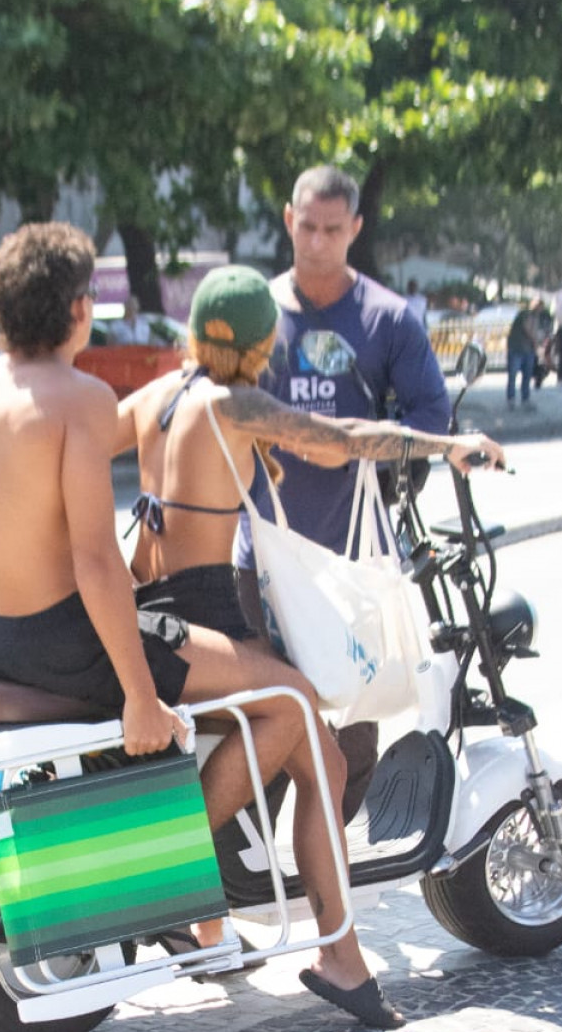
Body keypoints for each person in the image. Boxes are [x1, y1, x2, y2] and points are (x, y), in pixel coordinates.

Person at [0, 223, 407, 1028]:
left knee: (298, 726)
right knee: (289, 700)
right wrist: (141, 695)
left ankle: (291, 938)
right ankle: (199, 891)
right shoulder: (78, 397)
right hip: (72, 650)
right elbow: (94, 563)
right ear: (79, 309)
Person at [116, 265, 504, 987]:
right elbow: (344, 438)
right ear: (265, 344)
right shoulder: (235, 405)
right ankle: (203, 890)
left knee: (301, 744)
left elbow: (73, 445)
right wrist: (442, 445)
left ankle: (211, 923)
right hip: (202, 617)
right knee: (306, 727)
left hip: (155, 608)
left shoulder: (157, 399)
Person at [232, 165, 453, 821]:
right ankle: (264, 855)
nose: (319, 241)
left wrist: (366, 462)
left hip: (352, 562)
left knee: (351, 715)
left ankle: (329, 845)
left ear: (355, 228)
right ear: (287, 220)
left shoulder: (387, 319)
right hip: (260, 557)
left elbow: (429, 421)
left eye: (334, 229)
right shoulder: (255, 315)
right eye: (308, 226)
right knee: (267, 711)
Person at [506, 300, 540, 408]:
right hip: (518, 348)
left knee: (525, 375)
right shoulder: (526, 315)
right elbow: (527, 328)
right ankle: (513, 398)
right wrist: (534, 341)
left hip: (526, 349)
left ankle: (523, 397)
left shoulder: (534, 317)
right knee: (514, 374)